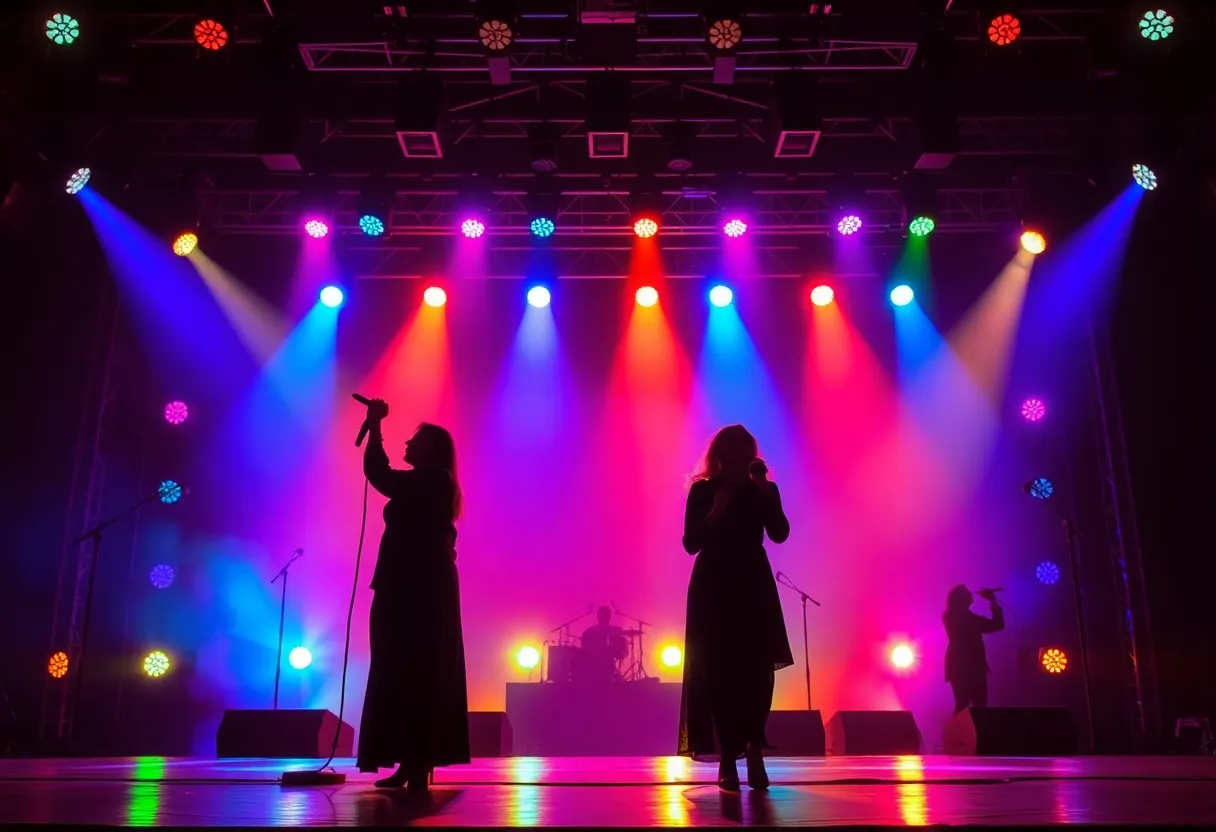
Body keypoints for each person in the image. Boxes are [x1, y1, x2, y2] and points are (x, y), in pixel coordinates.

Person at [356, 399, 470, 790]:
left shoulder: (435, 479)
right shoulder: (431, 481)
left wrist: (375, 426)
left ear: (432, 450)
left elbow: (382, 476)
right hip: (409, 582)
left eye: (415, 440)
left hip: (420, 587)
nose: (407, 443)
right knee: (403, 668)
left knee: (415, 667)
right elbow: (384, 477)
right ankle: (411, 760)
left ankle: (417, 761)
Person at [678, 425, 793, 792]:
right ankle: (728, 757)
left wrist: (766, 495)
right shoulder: (703, 490)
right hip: (714, 583)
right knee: (719, 670)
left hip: (752, 581)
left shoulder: (763, 489)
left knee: (757, 670)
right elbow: (691, 543)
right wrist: (716, 510)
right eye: (733, 447)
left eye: (746, 447)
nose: (741, 453)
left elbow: (779, 533)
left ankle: (755, 749)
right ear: (720, 454)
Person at [943, 585, 1005, 714]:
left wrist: (992, 602)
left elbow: (998, 625)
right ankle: (959, 727)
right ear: (960, 598)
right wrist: (991, 601)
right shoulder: (953, 616)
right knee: (963, 705)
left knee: (977, 706)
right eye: (967, 594)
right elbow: (995, 624)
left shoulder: (965, 617)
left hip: (973, 666)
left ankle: (971, 726)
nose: (971, 595)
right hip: (961, 667)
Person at [580, 606, 628, 682]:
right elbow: (584, 644)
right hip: (594, 663)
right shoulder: (590, 631)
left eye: (606, 615)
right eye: (603, 615)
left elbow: (621, 648)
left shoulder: (613, 630)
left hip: (605, 662)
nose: (605, 617)